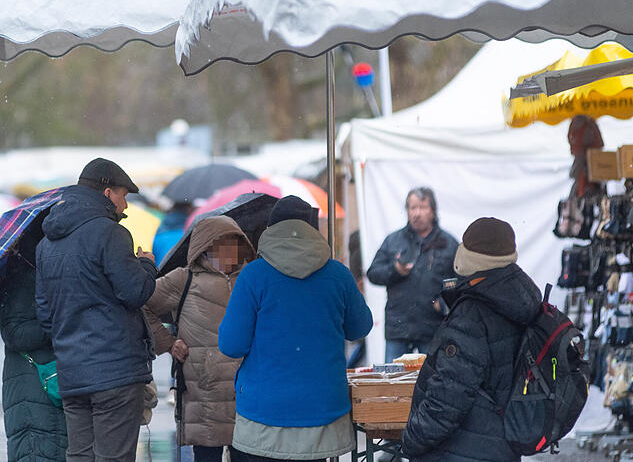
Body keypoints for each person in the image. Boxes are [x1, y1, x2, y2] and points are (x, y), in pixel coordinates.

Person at [219, 196, 373, 462]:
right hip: (322, 410)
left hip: (263, 414)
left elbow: (231, 345)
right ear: (313, 230)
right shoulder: (338, 275)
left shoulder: (253, 276)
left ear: (271, 229)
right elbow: (360, 327)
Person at [35, 158, 157, 462]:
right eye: (123, 196)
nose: (125, 206)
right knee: (113, 457)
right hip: (114, 373)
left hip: (72, 374)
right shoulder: (110, 233)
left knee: (80, 456)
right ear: (107, 192)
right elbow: (136, 292)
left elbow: (46, 315)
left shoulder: (46, 243)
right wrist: (146, 265)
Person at [402, 217, 542, 462]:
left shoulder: (472, 314)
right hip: (500, 444)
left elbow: (448, 398)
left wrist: (411, 440)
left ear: (467, 257)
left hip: (462, 449)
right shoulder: (519, 296)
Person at [144, 215, 255, 462]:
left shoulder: (251, 278)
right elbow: (144, 305)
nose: (230, 252)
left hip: (245, 389)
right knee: (207, 455)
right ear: (205, 246)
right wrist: (168, 343)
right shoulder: (183, 279)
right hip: (204, 390)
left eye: (235, 244)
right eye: (222, 245)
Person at [367, 187, 458, 363]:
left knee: (432, 377)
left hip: (433, 329)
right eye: (413, 208)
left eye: (423, 207)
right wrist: (395, 270)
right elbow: (373, 273)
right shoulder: (393, 240)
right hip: (398, 329)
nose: (417, 213)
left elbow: (460, 281)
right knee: (394, 379)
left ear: (433, 211)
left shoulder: (448, 243)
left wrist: (442, 304)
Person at [0, 258, 67, 461]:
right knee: (37, 450)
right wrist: (60, 325)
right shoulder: (25, 275)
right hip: (33, 384)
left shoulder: (38, 270)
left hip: (42, 381)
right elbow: (14, 333)